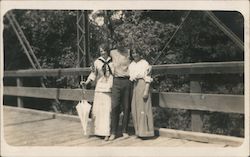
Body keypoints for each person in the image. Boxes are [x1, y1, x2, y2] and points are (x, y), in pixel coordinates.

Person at [81, 44, 114, 141]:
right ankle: (98, 131)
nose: (102, 52)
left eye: (104, 50)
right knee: (98, 111)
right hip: (99, 89)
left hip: (109, 89)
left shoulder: (113, 61)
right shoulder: (97, 62)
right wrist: (86, 82)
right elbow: (93, 74)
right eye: (101, 51)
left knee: (107, 111)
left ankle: (107, 133)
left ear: (107, 51)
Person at [128, 49, 154, 138]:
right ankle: (138, 132)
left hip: (142, 85)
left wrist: (146, 90)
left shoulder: (144, 63)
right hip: (135, 86)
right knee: (136, 108)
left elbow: (148, 77)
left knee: (144, 108)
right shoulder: (131, 64)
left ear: (140, 54)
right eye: (133, 53)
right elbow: (130, 76)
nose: (135, 54)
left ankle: (146, 132)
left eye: (136, 52)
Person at [108, 45, 132, 141]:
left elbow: (137, 62)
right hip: (116, 81)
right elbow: (104, 62)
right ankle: (113, 132)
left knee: (126, 107)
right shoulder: (112, 52)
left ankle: (124, 131)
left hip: (127, 81)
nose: (121, 43)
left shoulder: (129, 52)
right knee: (115, 106)